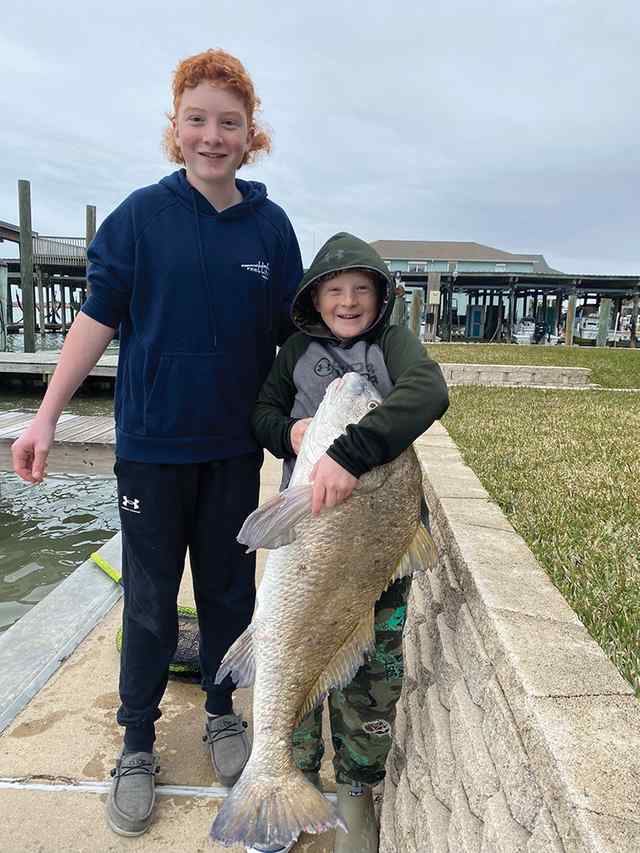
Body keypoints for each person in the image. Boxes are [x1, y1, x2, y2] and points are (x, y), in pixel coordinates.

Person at [11, 49, 302, 837]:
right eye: (198, 120)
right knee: (146, 605)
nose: (213, 136)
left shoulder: (271, 228)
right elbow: (94, 321)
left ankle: (220, 711)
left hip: (234, 450)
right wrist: (45, 416)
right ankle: (136, 742)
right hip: (150, 450)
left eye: (230, 123)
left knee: (227, 594)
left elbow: (296, 340)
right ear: (175, 129)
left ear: (252, 135)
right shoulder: (139, 217)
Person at [250, 232, 449, 853]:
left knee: (371, 676)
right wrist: (291, 433)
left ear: (381, 297)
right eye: (335, 290)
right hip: (309, 541)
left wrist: (351, 450)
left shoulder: (393, 344)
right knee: (289, 652)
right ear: (314, 298)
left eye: (362, 290)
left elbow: (430, 391)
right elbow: (261, 412)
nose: (348, 300)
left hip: (375, 551)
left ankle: (356, 790)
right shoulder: (296, 352)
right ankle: (289, 779)